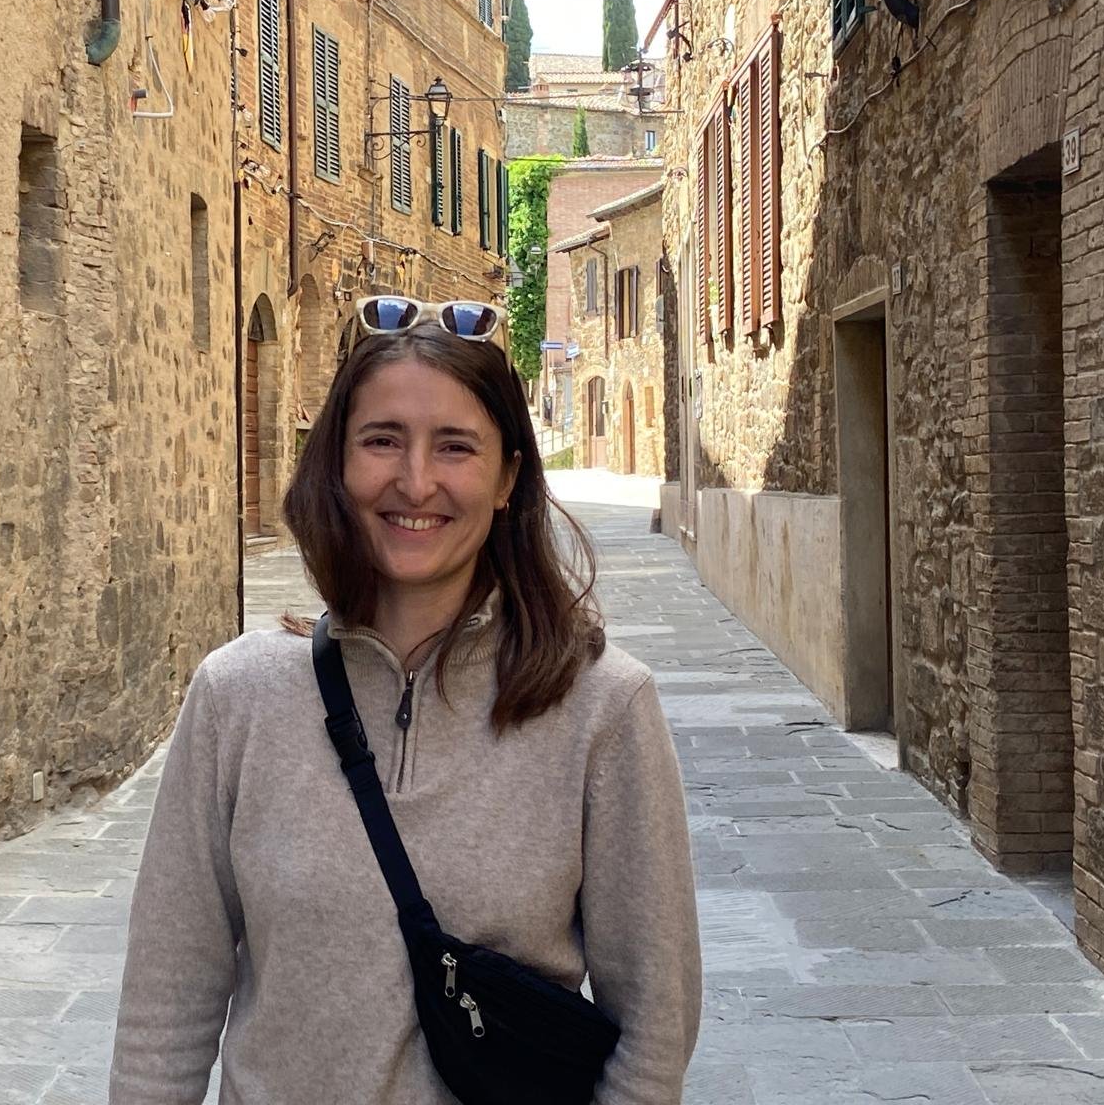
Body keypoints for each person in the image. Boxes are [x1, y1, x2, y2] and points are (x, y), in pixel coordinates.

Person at [109, 296, 701, 1104]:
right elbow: (164, 1010)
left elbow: (655, 1032)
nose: (415, 481)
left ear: (507, 479)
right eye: (382, 440)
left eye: (455, 446)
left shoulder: (601, 709)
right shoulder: (236, 698)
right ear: (337, 463)